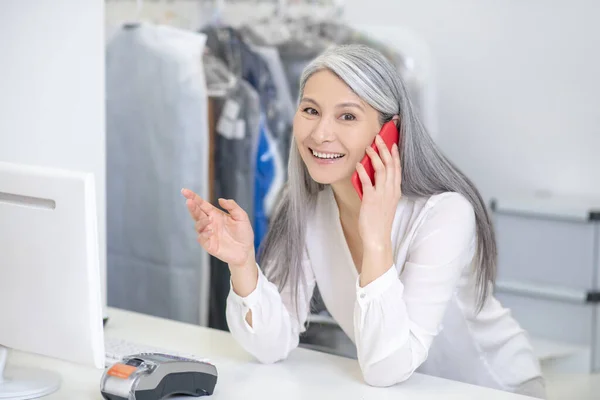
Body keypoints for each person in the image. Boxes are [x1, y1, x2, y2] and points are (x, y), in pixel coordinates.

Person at [181, 44, 545, 398]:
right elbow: (270, 346)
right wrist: (243, 266)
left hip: (495, 388)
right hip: (409, 389)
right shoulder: (305, 207)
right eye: (310, 110)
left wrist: (376, 240)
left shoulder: (445, 214)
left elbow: (386, 369)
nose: (320, 133)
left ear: (390, 130)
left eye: (348, 116)